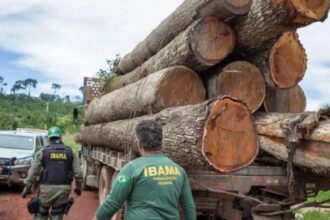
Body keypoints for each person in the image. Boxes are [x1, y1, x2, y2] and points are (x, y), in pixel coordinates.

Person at [95, 120, 196, 220]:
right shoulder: (179, 171)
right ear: (161, 143)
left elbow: (112, 203)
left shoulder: (131, 169)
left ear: (139, 144)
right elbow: (189, 207)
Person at [22, 126, 83, 220]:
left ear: (49, 138)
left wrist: (26, 188)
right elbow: (78, 174)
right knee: (57, 214)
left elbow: (33, 173)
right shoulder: (71, 152)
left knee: (41, 213)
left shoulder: (42, 151)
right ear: (61, 137)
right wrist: (78, 188)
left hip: (46, 189)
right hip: (64, 189)